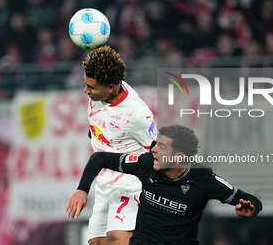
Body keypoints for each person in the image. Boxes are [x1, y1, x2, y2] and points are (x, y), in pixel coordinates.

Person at [66, 125, 262, 245]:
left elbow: (251, 201)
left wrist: (250, 209)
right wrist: (82, 189)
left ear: (178, 157)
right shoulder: (146, 164)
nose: (153, 150)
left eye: (160, 146)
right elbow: (100, 157)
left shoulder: (204, 179)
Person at [67, 46, 157, 245]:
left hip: (131, 187)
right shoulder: (99, 92)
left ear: (111, 87)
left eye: (91, 87)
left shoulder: (137, 114)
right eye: (85, 84)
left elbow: (157, 153)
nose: (85, 91)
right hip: (104, 186)